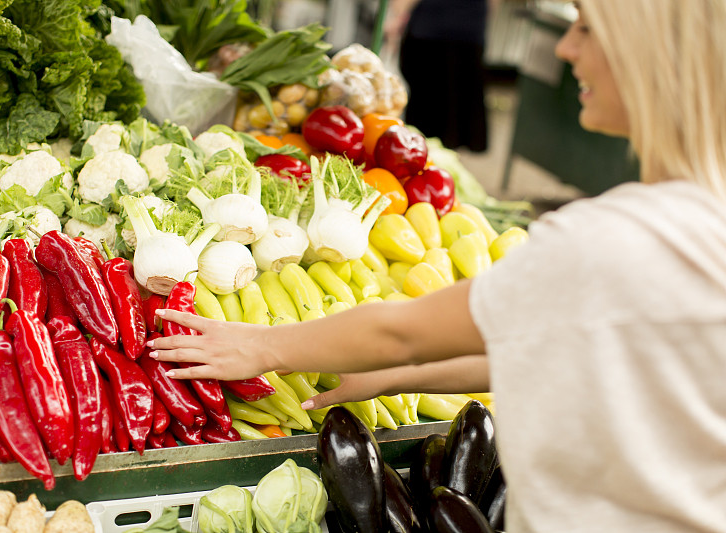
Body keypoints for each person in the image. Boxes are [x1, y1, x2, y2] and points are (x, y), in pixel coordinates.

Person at [149, 1, 726, 530]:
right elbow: (543, 354)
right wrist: (391, 380)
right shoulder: (707, 221)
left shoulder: (608, 239)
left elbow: (401, 330)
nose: (565, 48)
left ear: (648, 55)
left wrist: (266, 347)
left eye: (586, 28)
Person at [385, 0, 495, 152]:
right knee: (454, 118)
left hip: (431, 31)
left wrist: (397, 16)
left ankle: (429, 164)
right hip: (468, 31)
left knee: (425, 119)